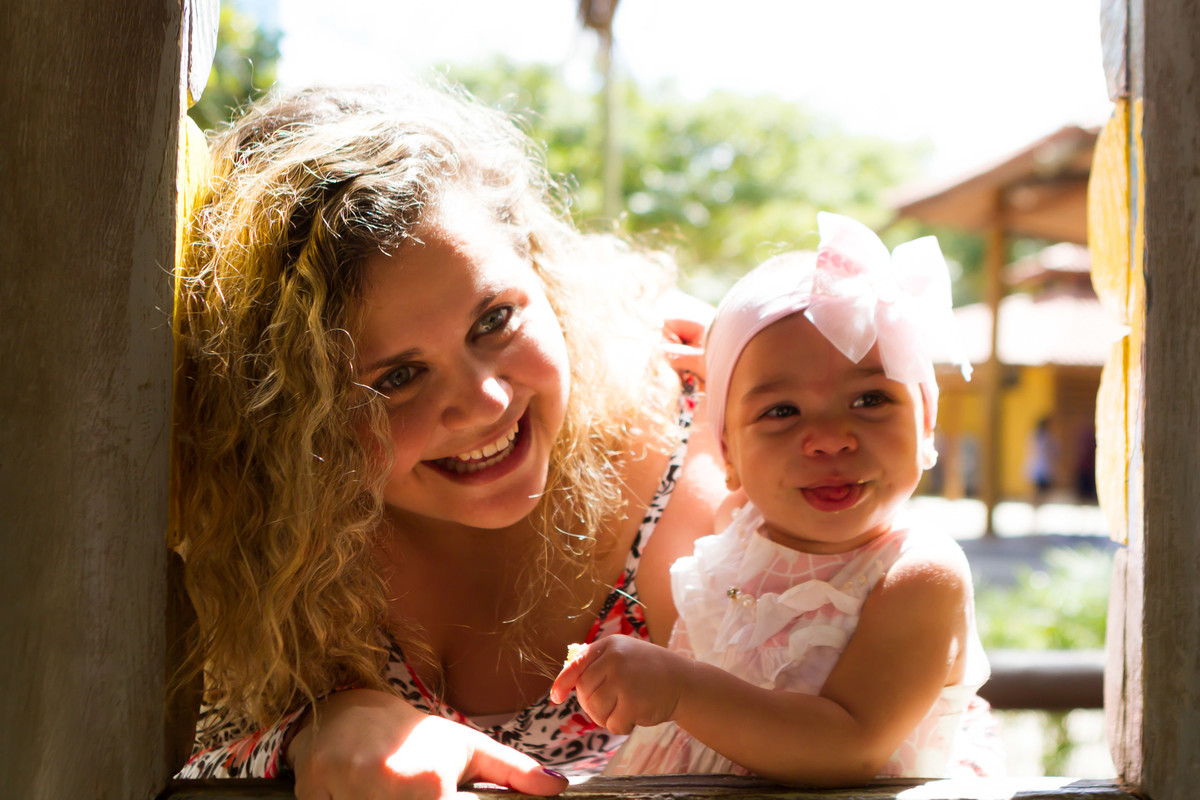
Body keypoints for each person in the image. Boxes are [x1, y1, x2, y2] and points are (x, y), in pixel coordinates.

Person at [170, 81, 726, 796]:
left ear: (542, 273)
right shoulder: (260, 541)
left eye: (493, 320)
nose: (484, 403)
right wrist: (314, 731)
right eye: (397, 377)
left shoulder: (719, 438)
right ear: (291, 416)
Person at [552, 213, 1000, 784]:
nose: (832, 438)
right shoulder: (739, 522)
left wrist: (678, 687)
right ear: (727, 454)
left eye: (870, 399)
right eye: (780, 412)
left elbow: (850, 742)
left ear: (928, 422)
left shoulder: (917, 575)